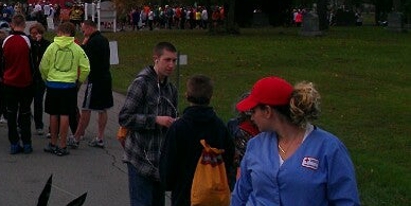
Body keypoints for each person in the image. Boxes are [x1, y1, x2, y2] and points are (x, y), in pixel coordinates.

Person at [230, 76, 361, 206]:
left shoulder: (329, 148)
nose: (251, 117)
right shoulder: (255, 145)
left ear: (267, 111)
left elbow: (346, 201)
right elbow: (240, 195)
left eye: (253, 111)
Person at [118, 41, 179, 206]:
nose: (171, 65)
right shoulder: (142, 83)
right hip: (139, 159)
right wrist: (155, 119)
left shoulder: (171, 89)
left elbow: (173, 115)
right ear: (156, 59)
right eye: (167, 60)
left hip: (160, 162)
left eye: (174, 60)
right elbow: (125, 117)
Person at [159, 74, 235, 206]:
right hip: (214, 194)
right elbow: (229, 156)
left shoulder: (178, 128)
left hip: (184, 194)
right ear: (211, 97)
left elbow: (168, 163)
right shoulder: (219, 127)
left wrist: (168, 183)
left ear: (187, 95)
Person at [40, 22, 90, 157]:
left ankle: (53, 142)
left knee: (53, 114)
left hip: (53, 84)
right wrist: (79, 81)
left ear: (59, 32)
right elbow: (86, 67)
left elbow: (43, 65)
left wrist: (46, 78)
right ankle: (62, 145)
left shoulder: (52, 47)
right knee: (65, 115)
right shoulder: (77, 48)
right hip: (68, 85)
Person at [72, 19, 114, 148]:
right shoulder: (104, 40)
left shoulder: (92, 42)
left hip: (95, 80)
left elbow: (84, 58)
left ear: (90, 28)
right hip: (106, 77)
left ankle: (76, 137)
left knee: (86, 108)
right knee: (102, 109)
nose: (83, 32)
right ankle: (100, 137)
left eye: (84, 30)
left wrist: (84, 45)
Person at [1, 13, 35, 154]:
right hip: (25, 81)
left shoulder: (6, 40)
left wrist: (3, 76)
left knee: (11, 113)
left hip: (9, 81)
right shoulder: (27, 41)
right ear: (24, 25)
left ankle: (14, 143)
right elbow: (32, 62)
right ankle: (26, 143)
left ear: (12, 25)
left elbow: (3, 62)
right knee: (25, 113)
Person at [28, 22, 50, 135]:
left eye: (35, 33)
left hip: (40, 76)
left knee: (38, 101)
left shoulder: (46, 44)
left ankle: (39, 124)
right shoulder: (29, 43)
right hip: (29, 75)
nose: (33, 35)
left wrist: (39, 43)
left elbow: (45, 56)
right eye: (31, 33)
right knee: (26, 101)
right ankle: (23, 122)